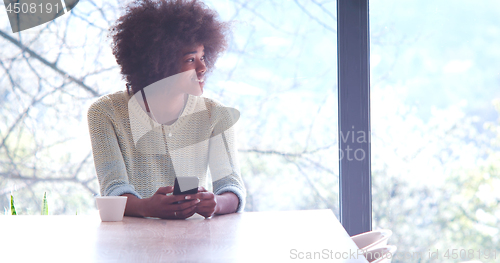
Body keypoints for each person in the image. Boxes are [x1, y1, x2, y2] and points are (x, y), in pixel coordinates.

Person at [87, 0, 245, 219]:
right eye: (191, 59)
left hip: (198, 242)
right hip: (131, 244)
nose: (203, 68)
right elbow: (113, 189)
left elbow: (232, 187)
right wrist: (146, 207)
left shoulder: (216, 115)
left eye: (203, 57)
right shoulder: (106, 113)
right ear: (158, 63)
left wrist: (217, 203)